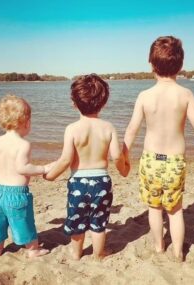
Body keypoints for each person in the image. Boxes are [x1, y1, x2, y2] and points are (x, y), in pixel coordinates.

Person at [123, 36, 194, 261]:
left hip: (151, 160)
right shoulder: (185, 95)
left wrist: (124, 154)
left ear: (151, 64)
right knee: (175, 211)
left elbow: (132, 129)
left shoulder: (144, 96)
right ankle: (178, 252)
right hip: (174, 161)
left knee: (154, 209)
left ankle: (158, 247)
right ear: (181, 66)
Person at [44, 74, 129, 260]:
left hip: (78, 183)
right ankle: (99, 253)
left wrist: (50, 175)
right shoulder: (108, 127)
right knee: (99, 221)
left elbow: (65, 160)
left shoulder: (72, 129)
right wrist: (124, 170)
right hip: (102, 181)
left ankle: (76, 253)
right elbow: (116, 156)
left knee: (77, 219)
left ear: (73, 103)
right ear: (104, 102)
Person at [0, 94, 52, 257]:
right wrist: (43, 168)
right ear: (26, 123)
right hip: (17, 194)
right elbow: (23, 168)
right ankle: (33, 249)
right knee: (24, 222)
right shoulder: (23, 144)